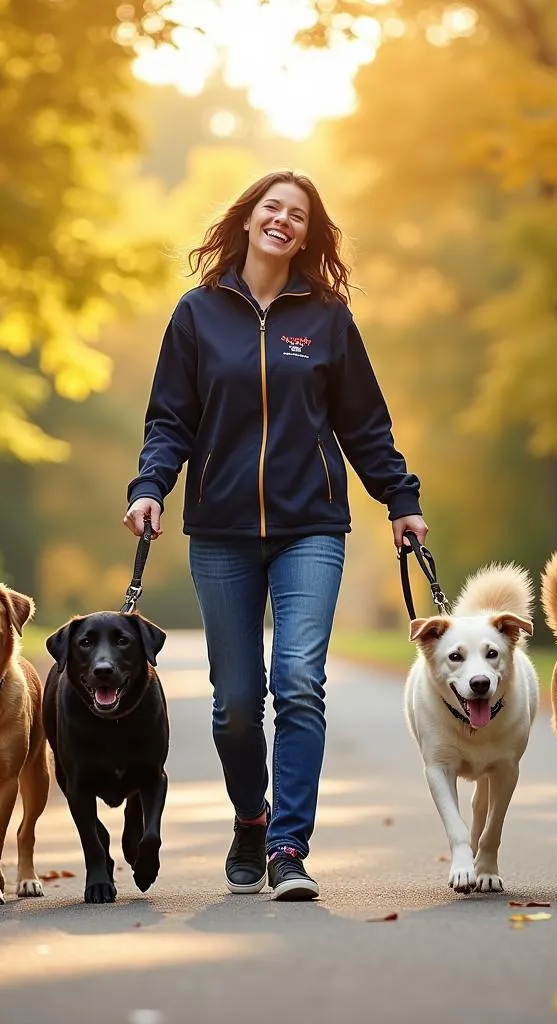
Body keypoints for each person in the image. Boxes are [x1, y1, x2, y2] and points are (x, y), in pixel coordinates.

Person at [124, 170, 428, 901]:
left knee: (297, 682)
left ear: (308, 233)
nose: (283, 221)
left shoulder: (327, 318)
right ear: (249, 218)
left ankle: (289, 846)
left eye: (298, 214)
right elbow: (171, 418)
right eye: (273, 208)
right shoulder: (197, 314)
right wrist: (149, 487)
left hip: (311, 525)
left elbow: (363, 421)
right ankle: (251, 818)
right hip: (221, 529)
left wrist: (399, 497)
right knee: (234, 702)